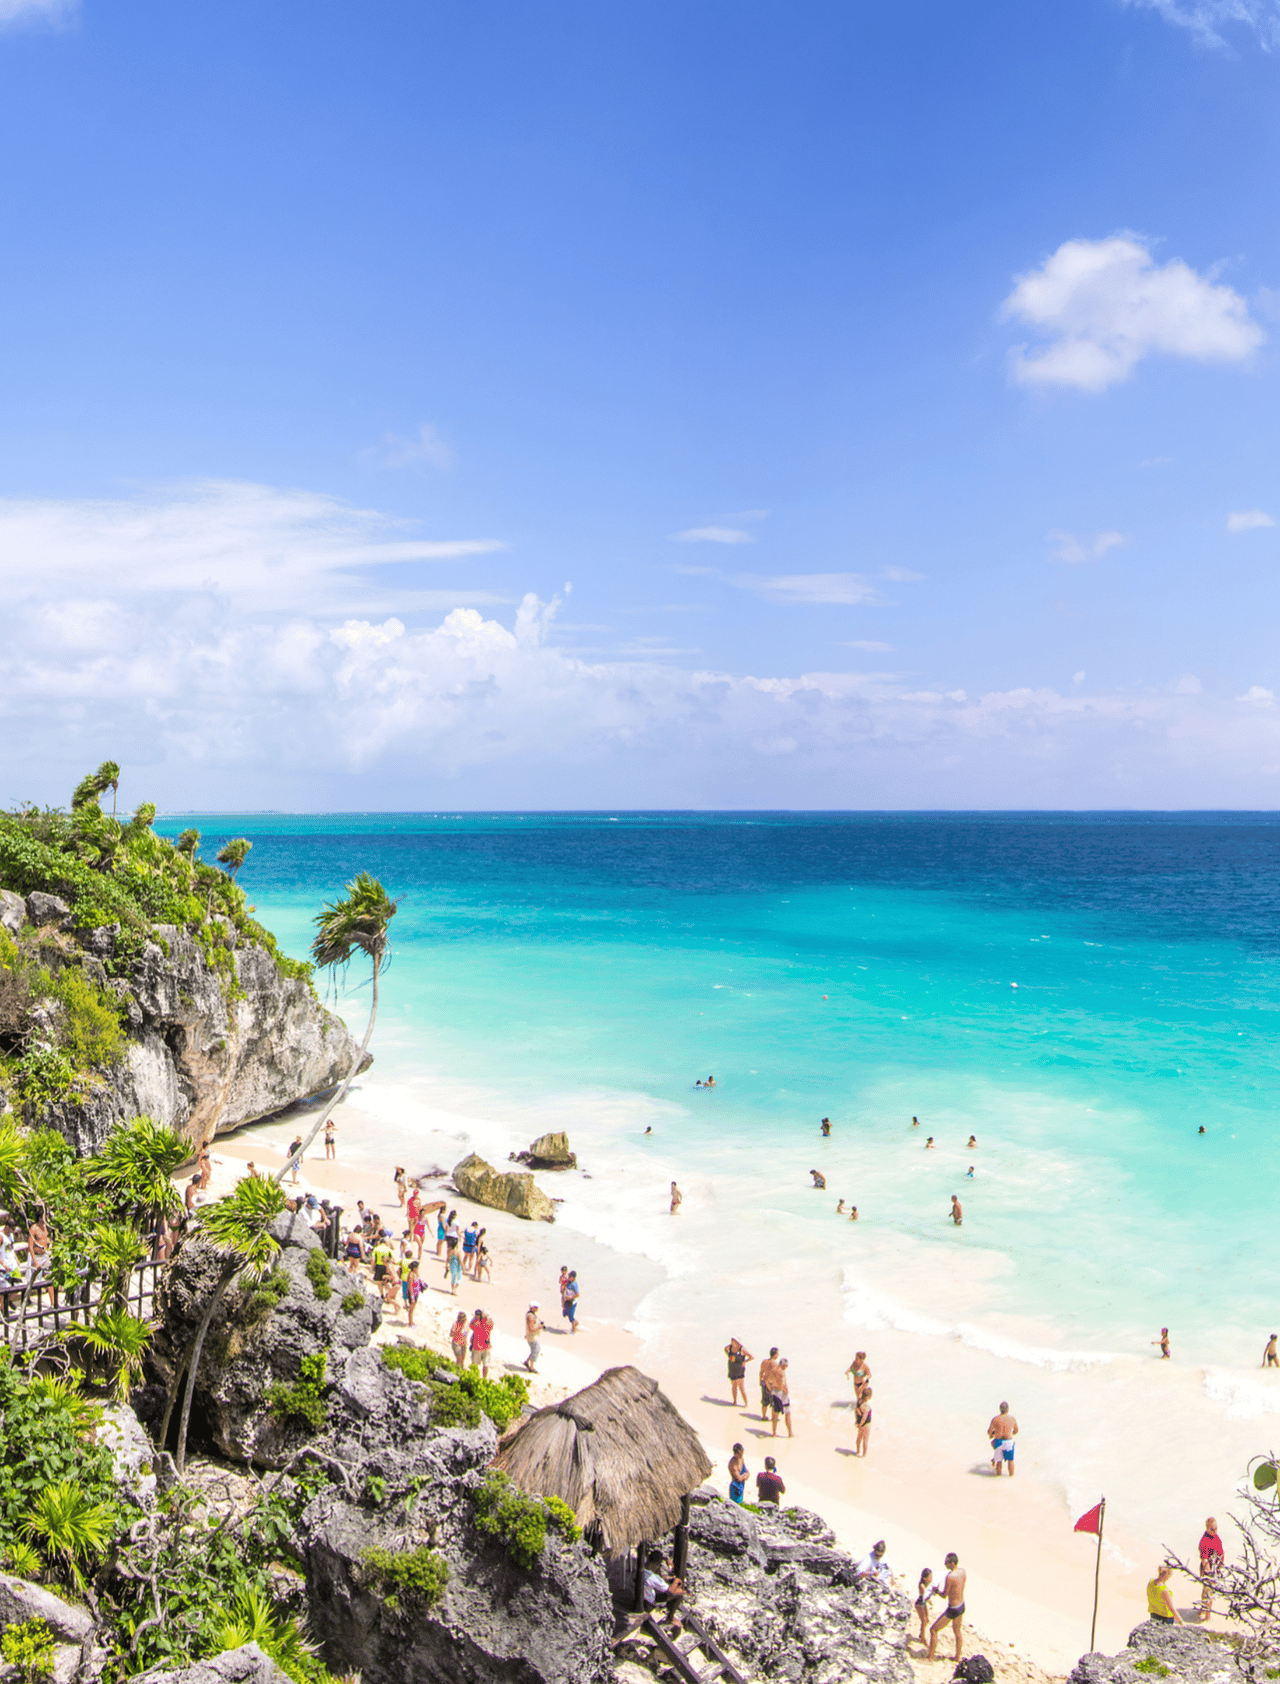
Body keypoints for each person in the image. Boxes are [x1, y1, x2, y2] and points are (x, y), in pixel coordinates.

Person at [928, 1554, 967, 1660]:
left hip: (953, 1609)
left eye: (946, 1562)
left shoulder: (950, 1577)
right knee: (957, 1631)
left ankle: (930, 1658)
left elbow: (944, 1595)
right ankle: (957, 1657)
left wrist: (936, 1591)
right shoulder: (963, 1572)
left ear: (952, 1563)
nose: (945, 1564)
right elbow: (961, 1586)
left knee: (933, 1630)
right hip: (961, 1605)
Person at [642, 1549, 684, 1632]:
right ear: (657, 1564)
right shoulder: (652, 1577)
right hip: (648, 1603)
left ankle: (668, 1613)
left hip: (641, 1596)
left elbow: (658, 1579)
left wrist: (665, 1559)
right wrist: (677, 1580)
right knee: (680, 1593)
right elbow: (670, 1591)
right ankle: (670, 1618)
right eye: (659, 1565)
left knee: (662, 1586)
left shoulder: (641, 1568)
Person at [1198, 1518, 1224, 1621]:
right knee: (1208, 1593)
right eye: (1212, 1529)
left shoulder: (1216, 1537)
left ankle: (1203, 1610)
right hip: (1208, 1570)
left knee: (1208, 1592)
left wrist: (1220, 1567)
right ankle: (1207, 1616)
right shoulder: (1205, 1541)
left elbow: (1221, 1552)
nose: (1214, 1531)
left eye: (1216, 1528)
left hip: (1216, 1568)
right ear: (1207, 1528)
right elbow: (1204, 1559)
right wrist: (1209, 1572)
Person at [988, 1401, 1018, 1475]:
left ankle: (998, 1478)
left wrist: (993, 1434)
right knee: (1010, 1461)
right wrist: (1011, 1433)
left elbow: (989, 1432)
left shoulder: (995, 1419)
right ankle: (1011, 1477)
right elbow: (1016, 1430)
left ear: (1000, 1409)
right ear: (1007, 1409)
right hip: (1008, 1441)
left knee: (999, 1461)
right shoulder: (1012, 1419)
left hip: (998, 1441)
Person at [725, 1337, 753, 1408]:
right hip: (732, 1368)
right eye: (731, 1340)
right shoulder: (730, 1347)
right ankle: (734, 1402)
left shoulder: (742, 1349)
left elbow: (751, 1357)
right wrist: (728, 1356)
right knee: (733, 1386)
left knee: (741, 1387)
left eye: (733, 1340)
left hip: (739, 1370)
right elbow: (725, 1349)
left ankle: (746, 1403)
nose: (731, 1341)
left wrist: (745, 1361)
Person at [770, 1358, 793, 1438]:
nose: (786, 1367)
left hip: (777, 1393)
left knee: (776, 1414)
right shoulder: (779, 1371)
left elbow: (770, 1382)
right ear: (783, 1364)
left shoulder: (775, 1370)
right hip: (780, 1394)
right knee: (785, 1413)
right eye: (786, 1366)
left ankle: (774, 1433)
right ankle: (790, 1434)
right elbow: (777, 1384)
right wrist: (783, 1387)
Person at [470, 1308, 493, 1378]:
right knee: (486, 1364)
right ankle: (484, 1378)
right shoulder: (490, 1322)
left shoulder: (476, 1323)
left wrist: (476, 1318)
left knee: (475, 1365)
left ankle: (475, 1377)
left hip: (477, 1346)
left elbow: (471, 1326)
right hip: (487, 1346)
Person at [759, 1348, 782, 1420]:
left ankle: (763, 1416)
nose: (778, 1355)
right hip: (771, 1384)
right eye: (777, 1354)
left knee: (765, 1401)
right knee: (773, 1402)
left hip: (764, 1383)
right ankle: (773, 1418)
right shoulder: (775, 1364)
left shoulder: (764, 1362)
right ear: (775, 1354)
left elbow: (761, 1372)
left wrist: (760, 1381)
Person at [914, 1569, 935, 1642]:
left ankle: (921, 1634)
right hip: (919, 1604)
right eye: (929, 1577)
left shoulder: (927, 1585)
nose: (931, 1579)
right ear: (924, 1578)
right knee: (924, 1621)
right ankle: (922, 1637)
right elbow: (925, 1594)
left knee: (926, 1620)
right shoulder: (922, 1585)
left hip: (923, 1603)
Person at [525, 1303, 544, 1372]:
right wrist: (539, 1327)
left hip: (532, 1336)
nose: (537, 1309)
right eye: (536, 1307)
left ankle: (527, 1362)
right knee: (536, 1350)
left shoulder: (530, 1314)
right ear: (532, 1307)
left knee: (534, 1350)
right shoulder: (531, 1317)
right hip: (533, 1337)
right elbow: (531, 1329)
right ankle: (531, 1367)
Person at [855, 1387, 873, 1456]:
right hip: (865, 1424)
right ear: (869, 1397)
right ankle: (864, 1455)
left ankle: (857, 1452)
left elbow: (856, 1411)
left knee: (859, 1438)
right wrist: (861, 1425)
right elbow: (864, 1417)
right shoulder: (866, 1407)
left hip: (859, 1422)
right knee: (865, 1441)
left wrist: (857, 1421)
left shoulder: (859, 1402)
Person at [403, 1257, 421, 1326]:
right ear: (414, 1268)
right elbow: (410, 1286)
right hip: (412, 1294)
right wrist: (412, 1296)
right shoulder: (411, 1275)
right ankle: (410, 1323)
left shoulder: (416, 1273)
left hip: (416, 1293)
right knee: (411, 1309)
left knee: (413, 1308)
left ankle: (411, 1322)